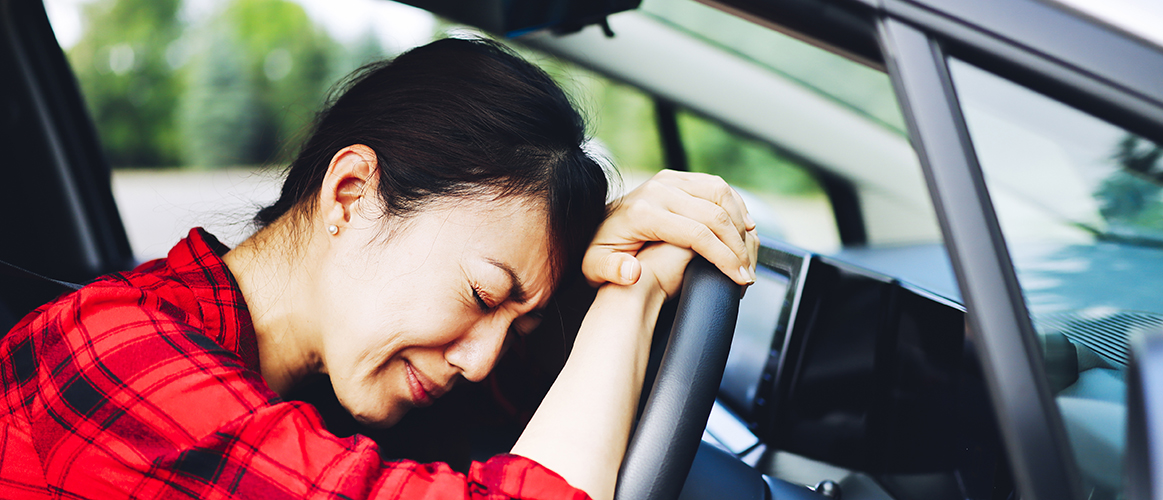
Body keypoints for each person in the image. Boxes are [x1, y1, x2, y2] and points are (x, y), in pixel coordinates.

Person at [0, 38, 757, 500]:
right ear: (352, 195)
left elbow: (530, 392)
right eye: (482, 294)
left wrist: (605, 272)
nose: (482, 355)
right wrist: (635, 293)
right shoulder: (104, 353)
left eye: (514, 322)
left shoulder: (327, 375)